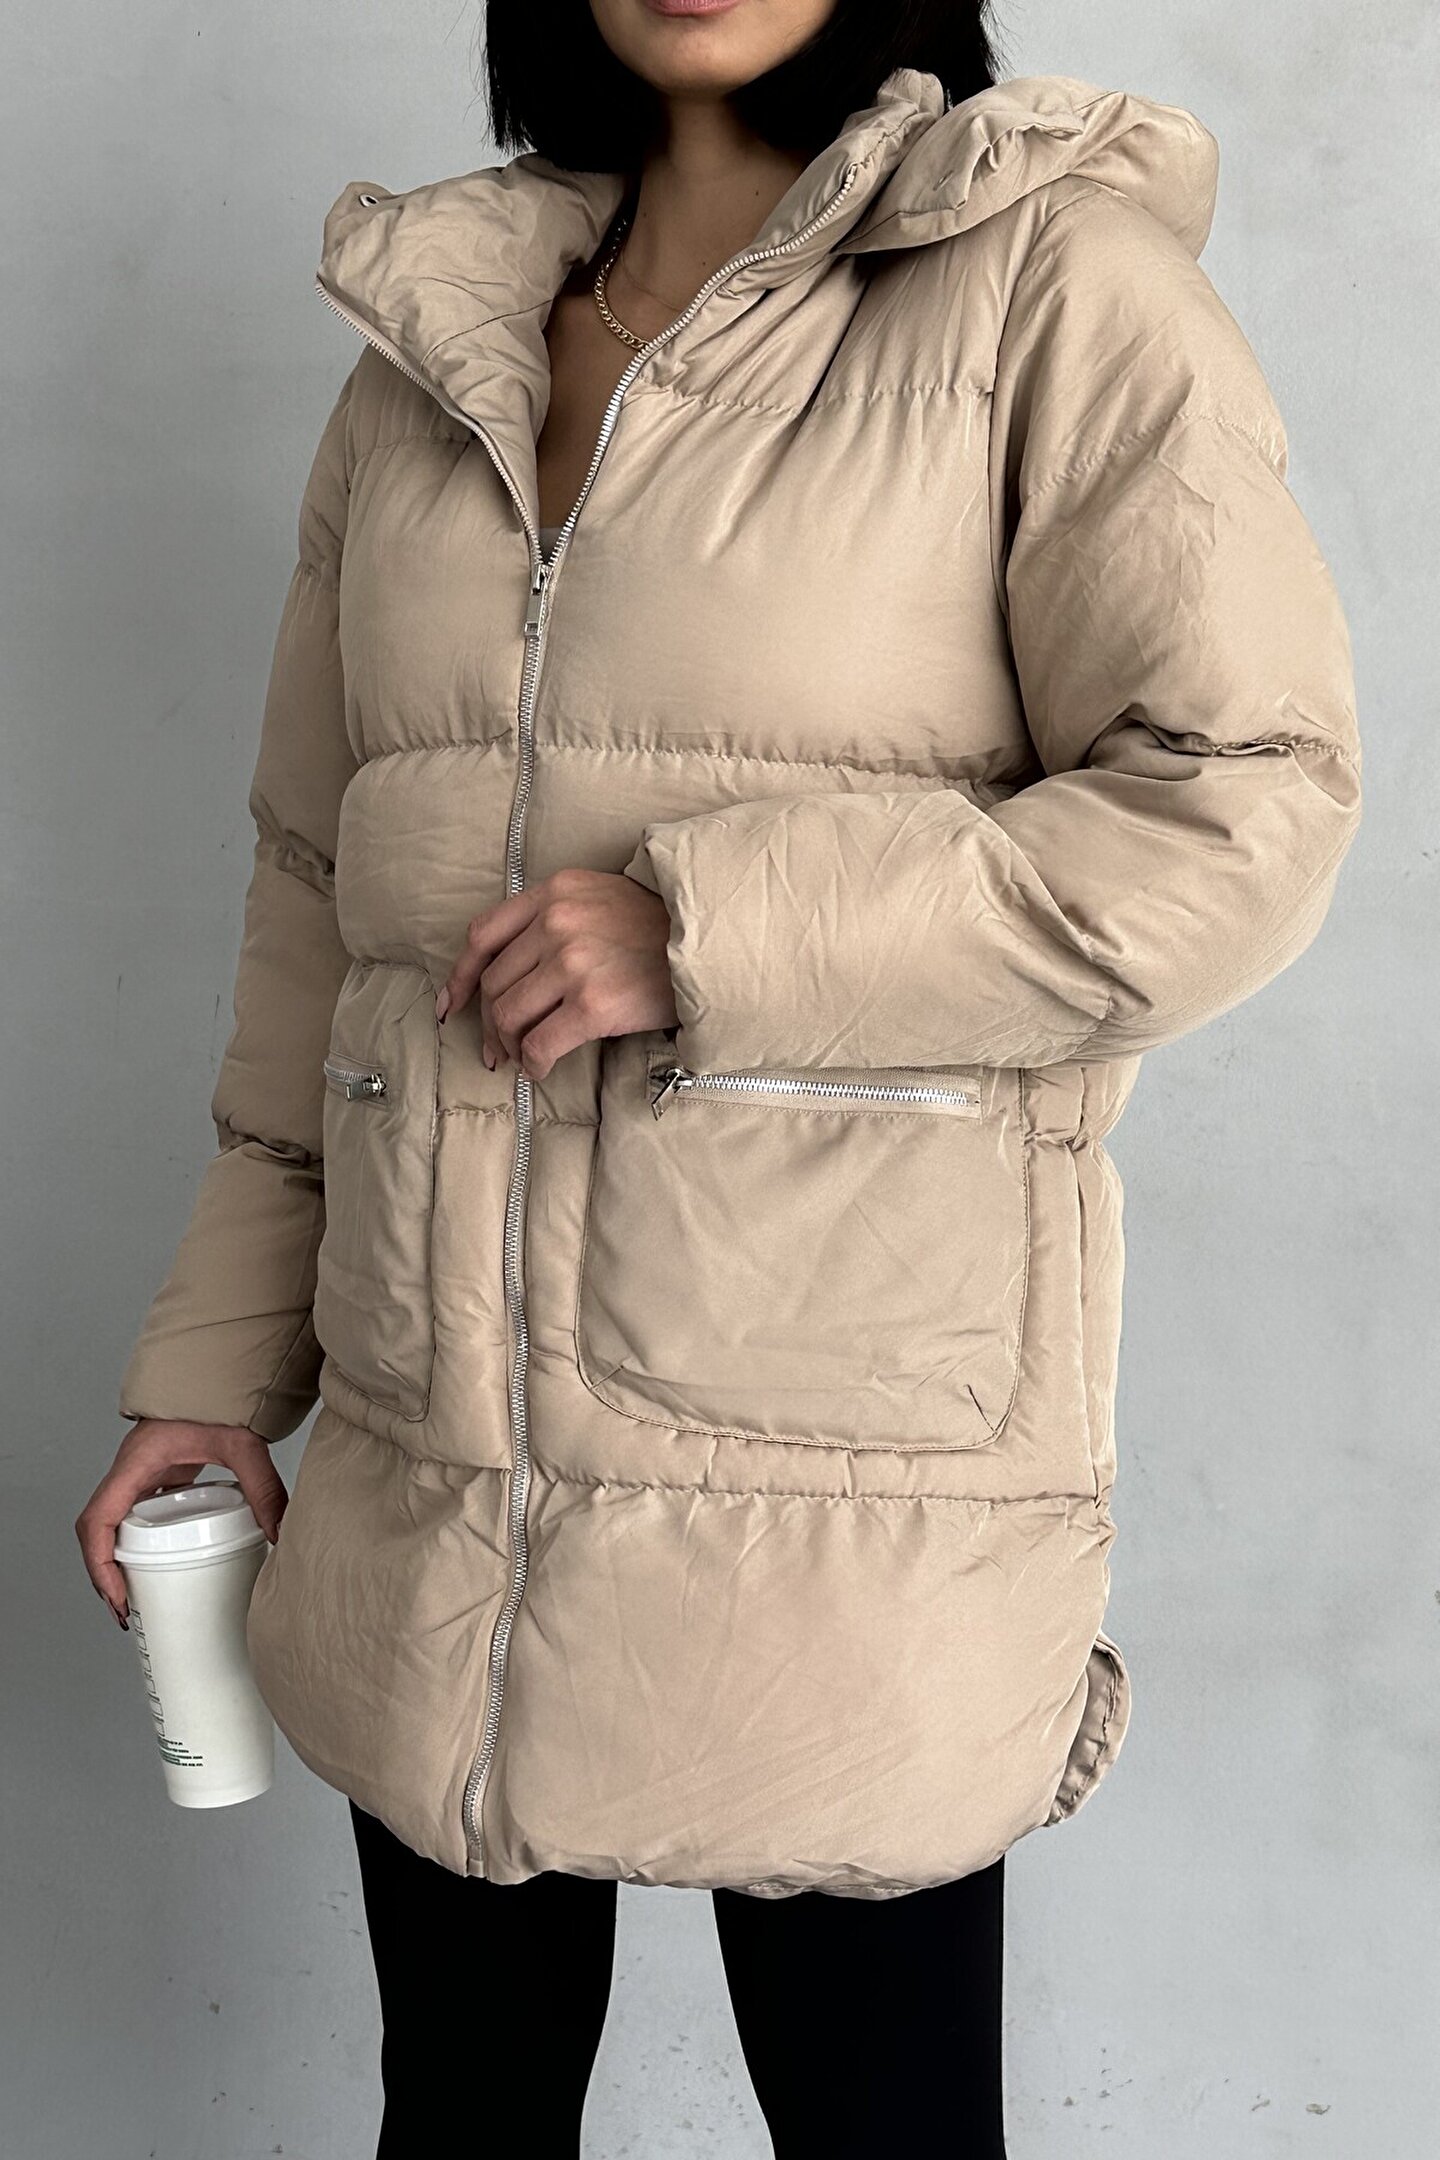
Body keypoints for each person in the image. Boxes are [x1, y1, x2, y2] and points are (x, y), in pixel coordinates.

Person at [77, 1, 1362, 2151]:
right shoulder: (433, 334)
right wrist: (211, 1369)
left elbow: (1245, 802)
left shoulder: (1051, 281)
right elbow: (316, 902)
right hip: (435, 1460)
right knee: (458, 2119)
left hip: (841, 1482)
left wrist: (715, 934)